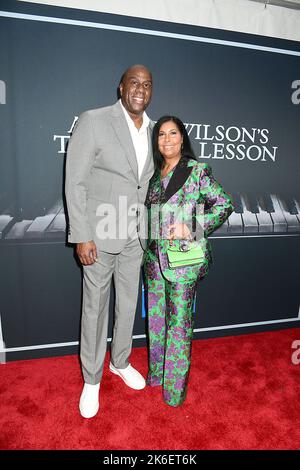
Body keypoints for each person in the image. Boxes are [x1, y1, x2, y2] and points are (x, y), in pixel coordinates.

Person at [65, 65, 154, 418]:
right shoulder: (93, 120)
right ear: (121, 88)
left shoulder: (154, 129)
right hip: (99, 235)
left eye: (147, 85)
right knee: (95, 308)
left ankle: (120, 361)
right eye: (134, 83)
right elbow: (76, 182)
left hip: (136, 235)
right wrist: (82, 235)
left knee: (128, 304)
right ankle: (91, 379)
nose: (140, 90)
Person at [144, 115, 233, 407]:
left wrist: (192, 226)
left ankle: (173, 392)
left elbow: (224, 204)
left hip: (183, 260)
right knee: (156, 323)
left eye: (173, 133)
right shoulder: (155, 173)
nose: (167, 139)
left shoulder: (196, 171)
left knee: (179, 325)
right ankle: (156, 374)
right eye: (161, 135)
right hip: (153, 260)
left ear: (182, 138)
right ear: (156, 141)